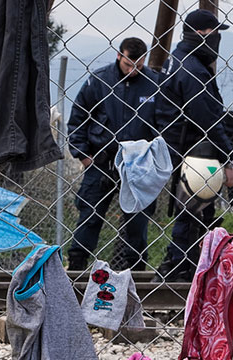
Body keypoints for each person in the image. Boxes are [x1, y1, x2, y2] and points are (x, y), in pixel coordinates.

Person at [67, 37, 165, 272]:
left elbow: (164, 122)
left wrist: (157, 158)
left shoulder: (155, 83)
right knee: (89, 217)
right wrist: (83, 154)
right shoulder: (99, 81)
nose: (133, 71)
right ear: (119, 56)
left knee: (137, 223)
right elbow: (78, 118)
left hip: (138, 166)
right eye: (128, 64)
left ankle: (136, 273)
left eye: (138, 66)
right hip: (101, 163)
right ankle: (76, 266)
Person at [158, 9, 233, 281]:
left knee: (198, 211)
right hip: (196, 151)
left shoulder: (179, 59)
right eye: (215, 33)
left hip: (181, 147)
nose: (218, 38)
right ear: (203, 34)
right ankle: (180, 265)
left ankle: (194, 264)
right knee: (192, 210)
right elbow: (208, 119)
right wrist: (229, 160)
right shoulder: (192, 69)